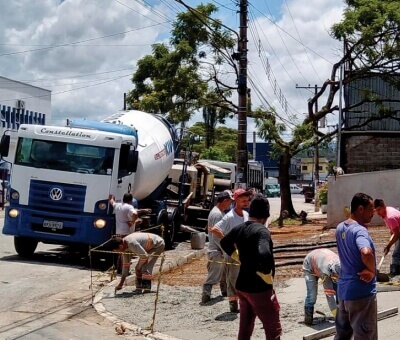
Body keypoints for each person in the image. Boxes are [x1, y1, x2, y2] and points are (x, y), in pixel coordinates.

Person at [220, 194, 282, 340]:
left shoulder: (240, 228)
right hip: (259, 288)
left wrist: (237, 256)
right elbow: (264, 252)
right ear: (266, 215)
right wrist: (265, 273)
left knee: (245, 327)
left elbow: (224, 242)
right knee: (273, 330)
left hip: (242, 286)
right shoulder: (262, 231)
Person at [334, 193, 377, 340]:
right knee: (365, 336)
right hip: (361, 294)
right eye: (371, 208)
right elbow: (366, 252)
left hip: (344, 293)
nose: (374, 212)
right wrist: (372, 271)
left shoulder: (340, 228)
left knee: (342, 335)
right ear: (360, 209)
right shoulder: (360, 230)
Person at [209, 188, 252, 313]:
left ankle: (244, 302)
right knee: (233, 278)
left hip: (244, 252)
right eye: (243, 200)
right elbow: (215, 229)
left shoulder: (246, 215)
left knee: (244, 278)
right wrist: (227, 240)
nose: (246, 202)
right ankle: (233, 304)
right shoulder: (229, 217)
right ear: (236, 200)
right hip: (233, 253)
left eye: (247, 200)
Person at [201, 190, 234, 304]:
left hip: (219, 248)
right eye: (230, 202)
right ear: (225, 201)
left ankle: (224, 291)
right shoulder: (217, 214)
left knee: (224, 272)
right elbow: (216, 235)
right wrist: (225, 249)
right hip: (217, 249)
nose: (230, 204)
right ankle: (206, 294)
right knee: (214, 274)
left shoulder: (219, 212)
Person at [303, 248, 341, 325]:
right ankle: (308, 319)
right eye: (336, 276)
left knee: (339, 290)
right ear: (332, 272)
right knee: (312, 295)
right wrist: (337, 318)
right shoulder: (325, 272)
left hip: (320, 259)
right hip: (309, 266)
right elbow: (329, 296)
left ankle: (341, 314)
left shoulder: (340, 264)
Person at [373, 199, 400, 276]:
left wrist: (388, 246)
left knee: (396, 254)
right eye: (376, 211)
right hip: (398, 231)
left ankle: (394, 271)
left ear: (383, 206)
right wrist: (392, 234)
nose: (378, 213)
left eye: (379, 210)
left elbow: (397, 234)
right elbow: (394, 230)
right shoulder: (385, 212)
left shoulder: (390, 216)